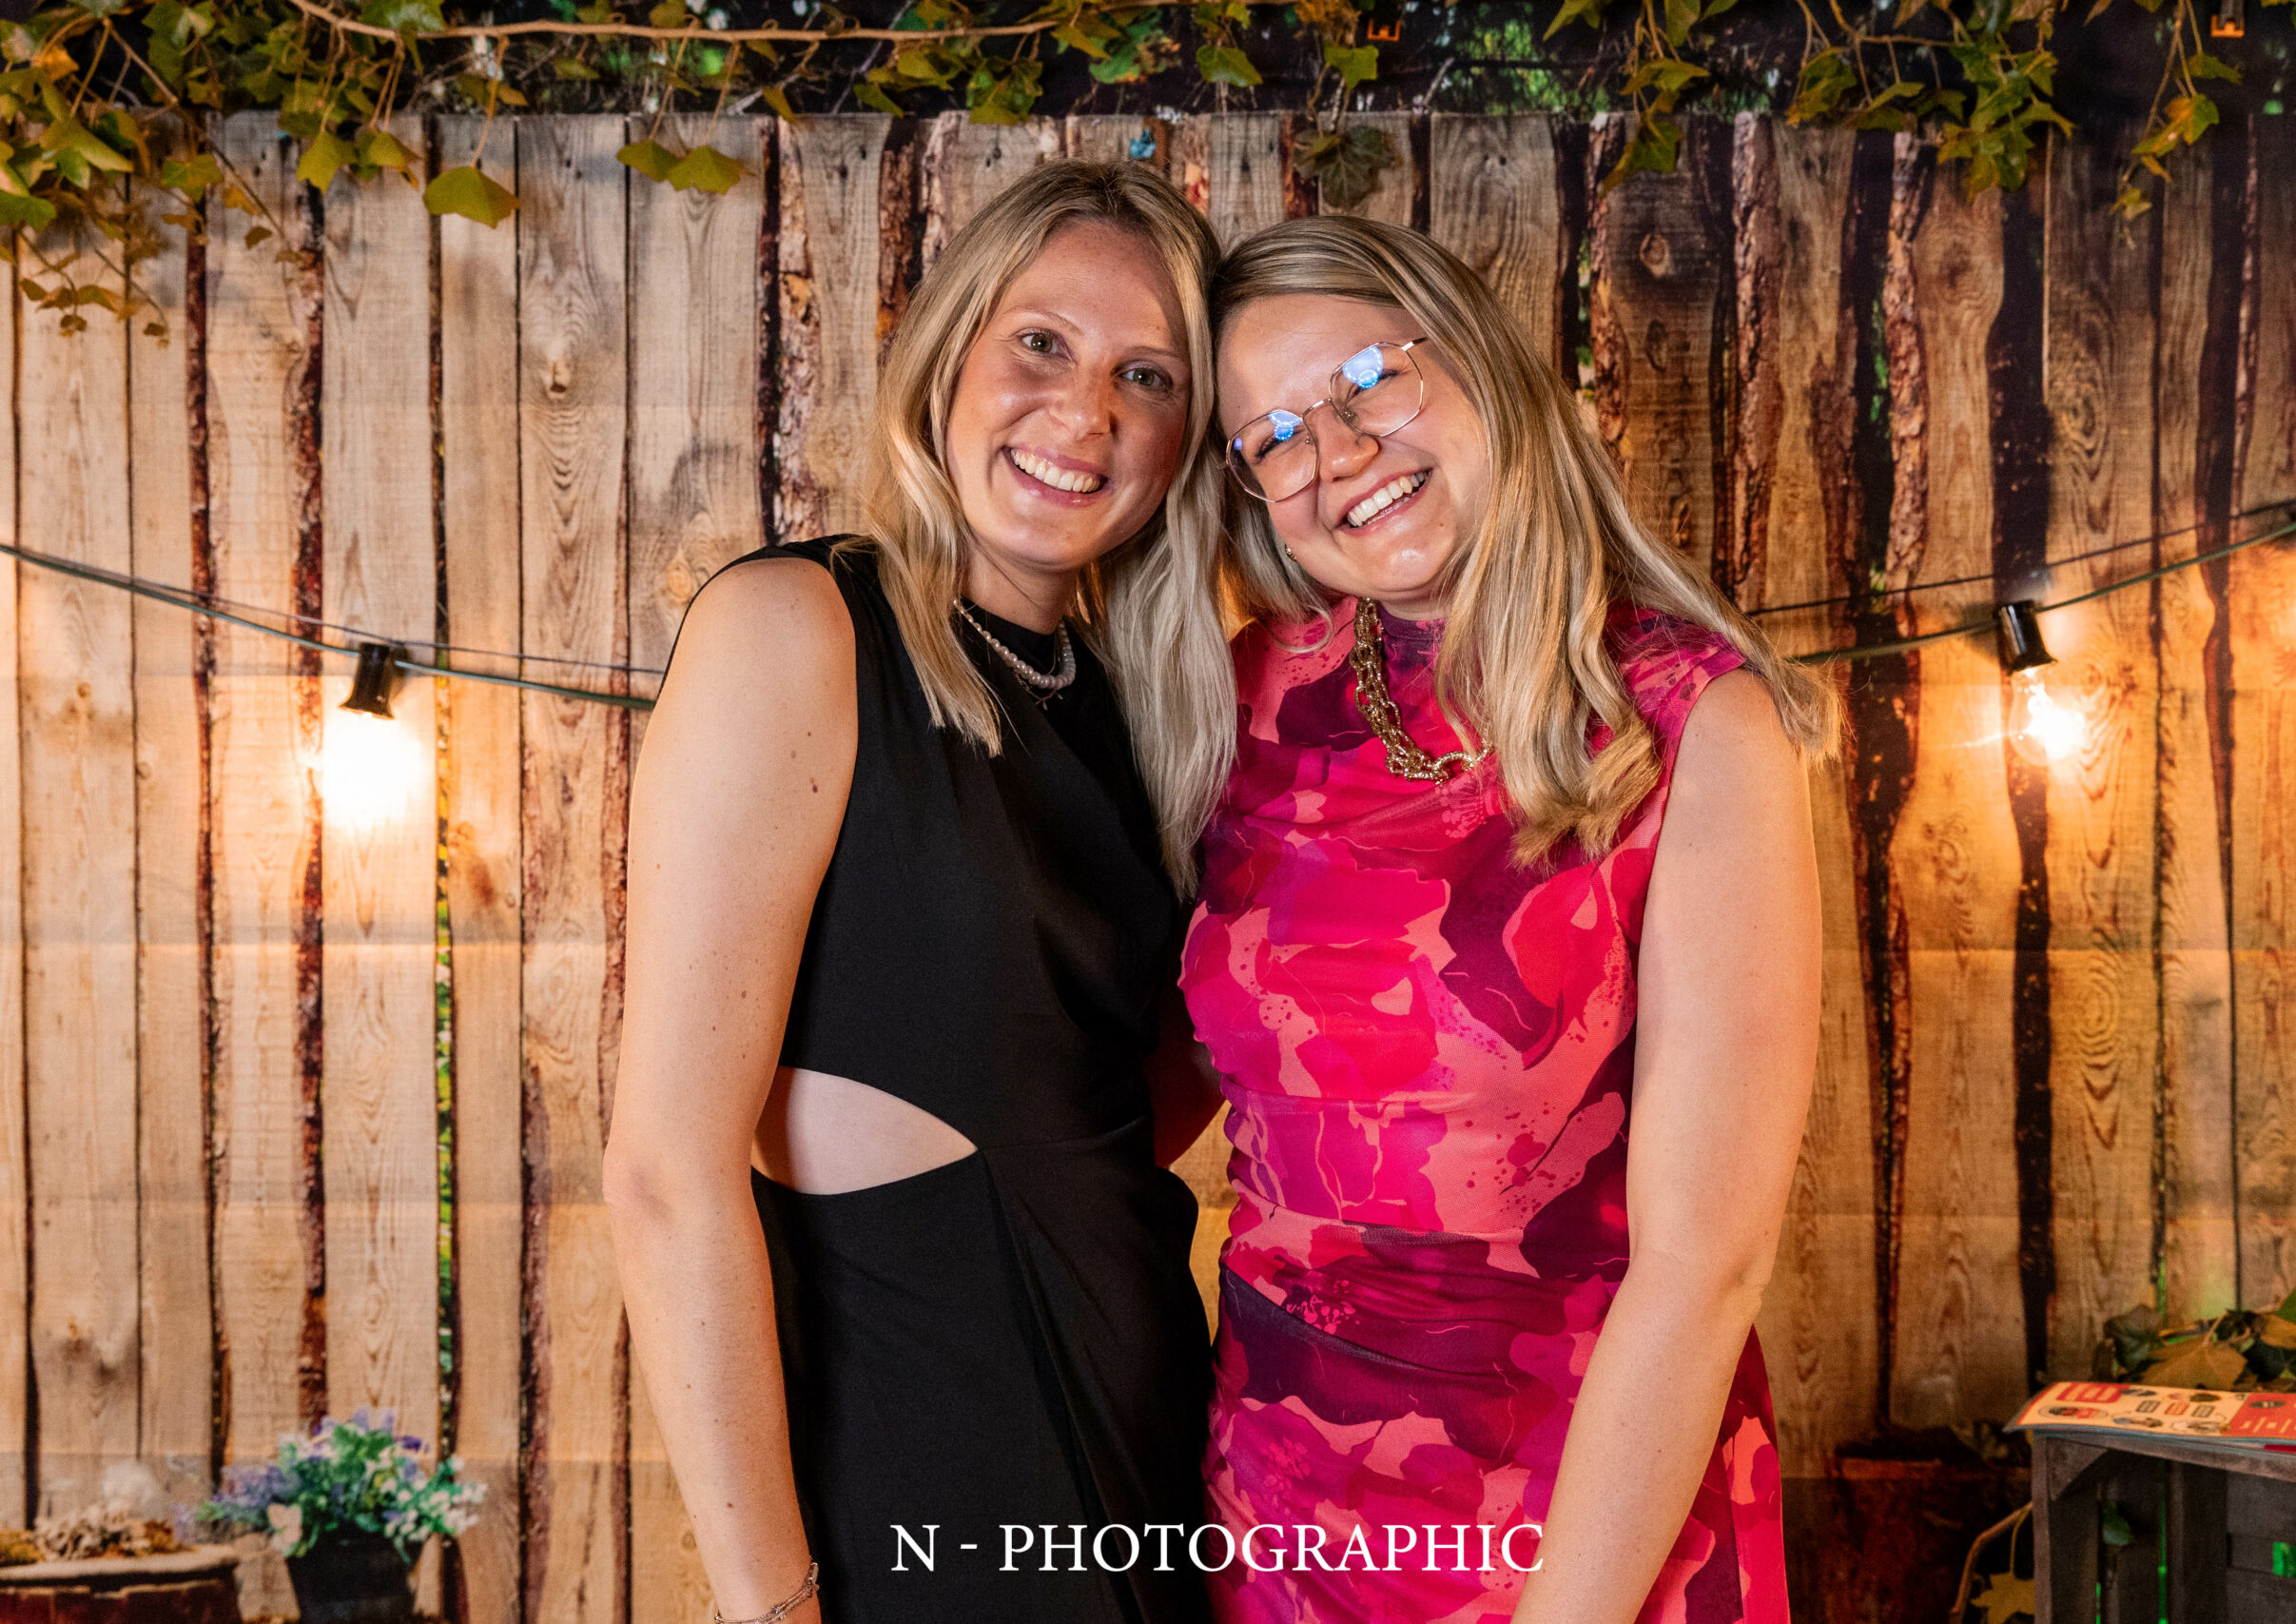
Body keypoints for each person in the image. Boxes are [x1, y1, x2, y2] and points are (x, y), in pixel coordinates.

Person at [1174, 216, 1838, 1624]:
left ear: (1480, 360)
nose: (1337, 450)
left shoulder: (1693, 724)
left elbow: (1703, 1269)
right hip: (1272, 1516)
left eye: (1370, 377)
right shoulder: (1241, 703)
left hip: (1580, 1528)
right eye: (1274, 436)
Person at [605, 161, 1235, 1624]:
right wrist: (772, 1606)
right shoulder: (797, 627)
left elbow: (1122, 1093)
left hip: (1150, 1423)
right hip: (926, 1441)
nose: (1086, 414)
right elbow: (664, 1173)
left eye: (1147, 375)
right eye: (1042, 343)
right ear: (951, 349)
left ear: (1187, 435)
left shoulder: (1141, 708)